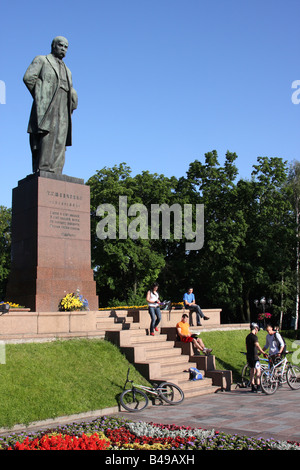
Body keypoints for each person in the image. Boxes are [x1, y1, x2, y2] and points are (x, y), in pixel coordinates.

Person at [23, 36, 78, 174]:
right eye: (61, 45)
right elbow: (28, 78)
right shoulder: (42, 60)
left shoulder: (68, 70)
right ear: (53, 46)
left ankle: (57, 170)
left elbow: (70, 88)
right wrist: (41, 97)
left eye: (66, 47)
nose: (63, 49)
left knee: (61, 137)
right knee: (47, 135)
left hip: (64, 106)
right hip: (48, 104)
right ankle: (45, 168)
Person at [246, 323, 268, 393]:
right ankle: (258, 386)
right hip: (255, 357)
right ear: (255, 328)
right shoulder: (254, 337)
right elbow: (257, 346)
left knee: (252, 371)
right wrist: (263, 352)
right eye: (257, 329)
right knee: (258, 371)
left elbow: (246, 347)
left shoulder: (247, 337)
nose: (257, 331)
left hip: (249, 356)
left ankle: (252, 387)